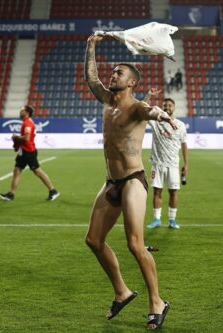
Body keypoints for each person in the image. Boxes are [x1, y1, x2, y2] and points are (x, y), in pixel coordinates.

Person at [84, 35, 173, 330]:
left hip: (133, 181)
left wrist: (163, 116)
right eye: (113, 72)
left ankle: (157, 302)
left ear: (132, 82)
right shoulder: (107, 100)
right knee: (93, 240)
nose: (113, 75)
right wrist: (92, 46)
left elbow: (152, 111)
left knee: (135, 244)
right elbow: (91, 78)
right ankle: (122, 291)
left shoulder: (136, 107)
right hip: (110, 182)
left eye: (119, 73)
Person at [143, 89, 188, 230]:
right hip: (157, 163)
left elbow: (184, 143)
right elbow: (142, 108)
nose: (167, 106)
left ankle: (172, 220)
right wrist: (149, 95)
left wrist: (186, 164)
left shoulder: (180, 125)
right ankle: (157, 219)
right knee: (157, 191)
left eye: (170, 105)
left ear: (174, 108)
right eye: (165, 105)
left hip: (173, 164)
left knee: (173, 192)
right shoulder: (156, 122)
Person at [0, 105, 60, 201]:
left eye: (22, 110)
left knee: (37, 171)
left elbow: (27, 138)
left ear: (26, 112)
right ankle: (11, 194)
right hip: (23, 151)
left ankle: (53, 190)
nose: (20, 111)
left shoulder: (27, 123)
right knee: (17, 171)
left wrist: (15, 137)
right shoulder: (27, 122)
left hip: (28, 151)